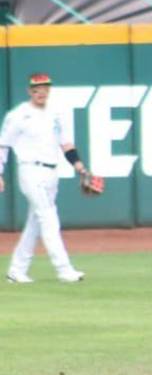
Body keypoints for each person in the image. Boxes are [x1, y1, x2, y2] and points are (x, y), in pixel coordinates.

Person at [0, 73, 89, 283]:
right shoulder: (19, 115)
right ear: (29, 91)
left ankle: (16, 270)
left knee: (36, 222)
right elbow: (2, 145)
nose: (41, 91)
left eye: (45, 87)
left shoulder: (56, 113)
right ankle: (64, 269)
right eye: (37, 88)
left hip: (51, 171)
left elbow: (66, 144)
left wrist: (80, 168)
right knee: (49, 217)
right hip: (30, 170)